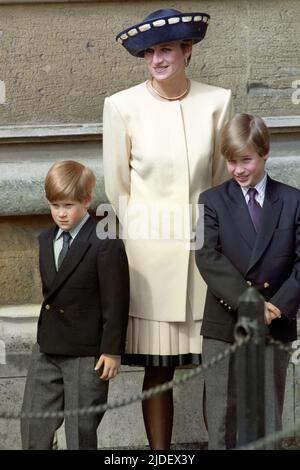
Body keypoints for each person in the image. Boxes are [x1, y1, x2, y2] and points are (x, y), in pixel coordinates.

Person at [103, 8, 233, 450]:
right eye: (150, 52)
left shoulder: (218, 101)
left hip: (205, 257)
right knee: (159, 369)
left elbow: (219, 180)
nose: (157, 60)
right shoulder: (122, 105)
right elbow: (117, 185)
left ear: (187, 51)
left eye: (167, 50)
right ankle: (160, 458)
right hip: (150, 262)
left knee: (216, 366)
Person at [195, 113, 300, 449]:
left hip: (275, 323)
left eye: (246, 160)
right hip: (225, 324)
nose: (238, 169)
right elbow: (207, 257)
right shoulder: (210, 202)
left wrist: (277, 307)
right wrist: (250, 302)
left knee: (267, 418)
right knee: (222, 417)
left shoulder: (293, 201)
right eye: (231, 161)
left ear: (265, 153)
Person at [21, 160, 129, 450]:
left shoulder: (104, 242)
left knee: (80, 433)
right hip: (48, 347)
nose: (61, 213)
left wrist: (111, 350)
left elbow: (116, 301)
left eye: (68, 205)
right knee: (33, 424)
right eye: (55, 205)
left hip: (86, 353)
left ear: (86, 200)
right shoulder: (45, 239)